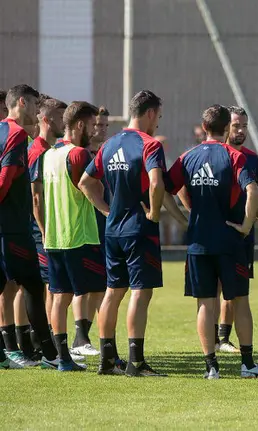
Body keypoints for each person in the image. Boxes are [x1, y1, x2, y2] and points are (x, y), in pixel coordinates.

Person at [165, 104, 258, 379]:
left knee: (205, 304)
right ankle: (247, 364)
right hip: (230, 242)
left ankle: (211, 366)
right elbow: (253, 189)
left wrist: (182, 220)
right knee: (240, 301)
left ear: (204, 127)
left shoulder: (187, 157)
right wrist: (246, 226)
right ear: (225, 129)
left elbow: (164, 190)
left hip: (198, 242)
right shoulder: (234, 156)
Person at [80, 90, 173, 377]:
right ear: (149, 113)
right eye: (158, 115)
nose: (157, 122)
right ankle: (136, 362)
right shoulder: (150, 145)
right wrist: (155, 214)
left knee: (112, 292)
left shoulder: (108, 144)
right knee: (140, 293)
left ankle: (107, 359)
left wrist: (106, 210)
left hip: (113, 230)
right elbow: (156, 184)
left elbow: (85, 182)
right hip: (138, 230)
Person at [0, 84, 60, 370]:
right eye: (35, 105)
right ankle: (50, 354)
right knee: (35, 287)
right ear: (22, 103)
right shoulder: (17, 135)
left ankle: (5, 354)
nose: (38, 111)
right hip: (12, 228)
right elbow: (5, 180)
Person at [42, 102, 104, 371]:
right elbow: (90, 188)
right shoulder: (79, 154)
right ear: (80, 124)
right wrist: (109, 211)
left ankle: (61, 357)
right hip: (79, 236)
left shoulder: (49, 154)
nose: (93, 130)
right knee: (92, 292)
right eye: (91, 125)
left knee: (59, 296)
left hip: (54, 236)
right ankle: (95, 347)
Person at [210, 106, 258, 354]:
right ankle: (212, 339)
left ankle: (223, 338)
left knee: (236, 291)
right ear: (225, 127)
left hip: (243, 235)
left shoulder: (252, 159)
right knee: (214, 288)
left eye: (244, 125)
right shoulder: (216, 155)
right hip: (218, 232)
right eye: (236, 126)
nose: (241, 130)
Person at [68, 105, 111, 357]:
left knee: (102, 286)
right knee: (77, 287)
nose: (101, 129)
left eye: (105, 125)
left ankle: (85, 337)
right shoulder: (80, 155)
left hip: (103, 229)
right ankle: (76, 338)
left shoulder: (105, 153)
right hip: (82, 228)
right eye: (97, 125)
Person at [26, 97, 67, 358]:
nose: (65, 122)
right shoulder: (37, 151)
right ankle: (46, 344)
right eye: (61, 118)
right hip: (40, 231)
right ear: (47, 120)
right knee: (50, 286)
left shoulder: (52, 150)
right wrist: (43, 229)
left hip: (48, 230)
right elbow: (35, 197)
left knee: (51, 287)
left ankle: (47, 341)